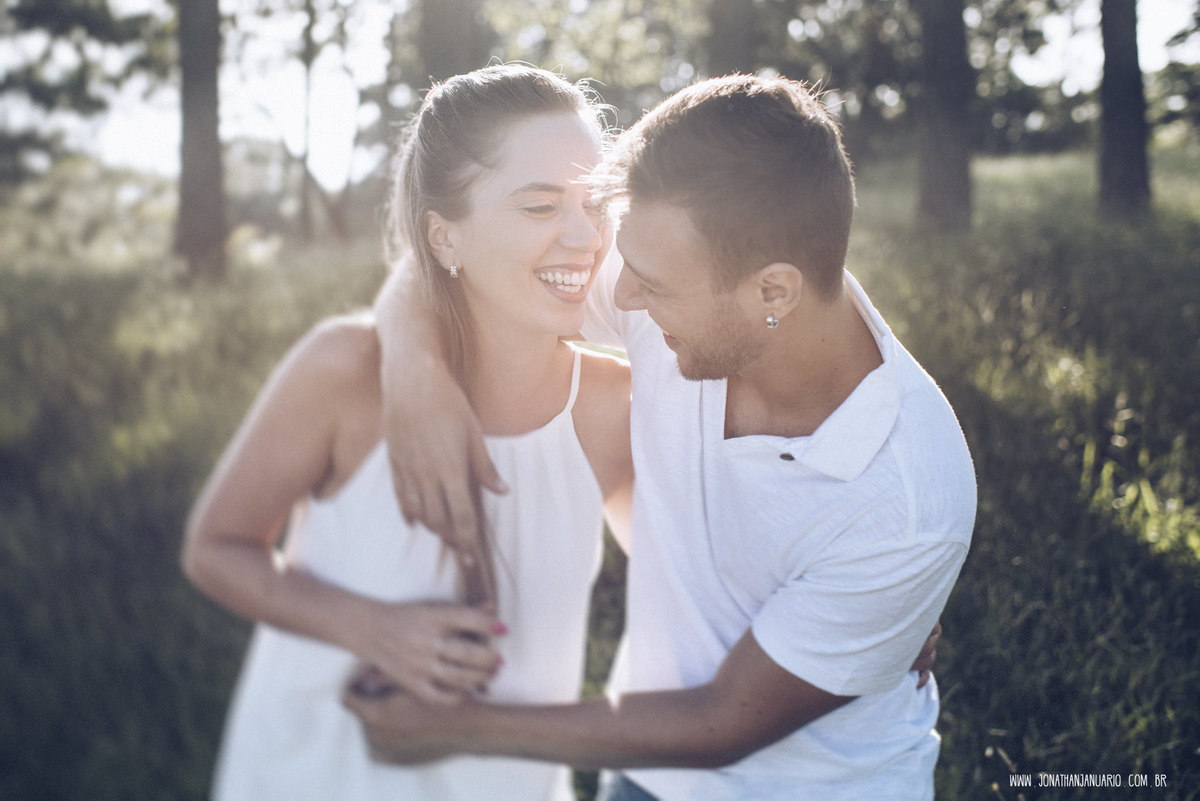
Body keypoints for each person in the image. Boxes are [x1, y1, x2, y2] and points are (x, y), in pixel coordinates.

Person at [346, 73, 976, 800]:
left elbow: (721, 724)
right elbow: (460, 260)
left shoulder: (907, 501)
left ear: (774, 293)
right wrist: (415, 372)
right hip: (641, 767)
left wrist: (452, 725)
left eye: (650, 285)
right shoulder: (673, 267)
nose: (620, 297)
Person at [180, 64, 637, 801]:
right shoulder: (345, 370)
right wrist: (372, 628)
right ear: (444, 235)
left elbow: (700, 590)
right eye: (540, 205)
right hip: (315, 775)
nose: (586, 237)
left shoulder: (614, 404)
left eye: (595, 203)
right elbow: (216, 548)